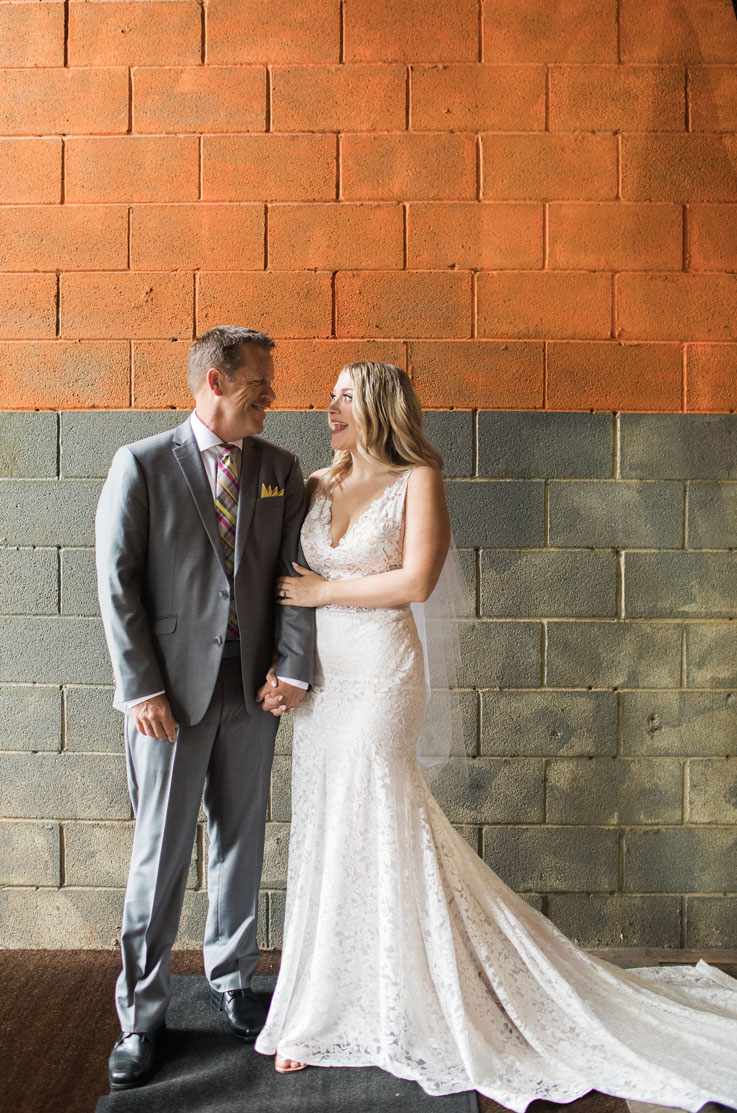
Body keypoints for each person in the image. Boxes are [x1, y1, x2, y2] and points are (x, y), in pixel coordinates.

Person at [255, 360, 737, 1109]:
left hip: (381, 672)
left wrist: (327, 590)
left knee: (378, 811)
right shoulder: (316, 482)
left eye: (344, 397)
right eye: (329, 398)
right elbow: (283, 584)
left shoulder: (416, 480)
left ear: (380, 406)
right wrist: (285, 667)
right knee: (326, 821)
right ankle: (323, 1004)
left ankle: (402, 1000)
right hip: (324, 681)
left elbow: (416, 580)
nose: (329, 409)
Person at [95, 326, 314, 1091]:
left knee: (241, 838)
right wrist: (141, 687)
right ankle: (141, 1016)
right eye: (260, 383)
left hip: (251, 690)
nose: (272, 398)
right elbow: (117, 585)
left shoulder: (281, 470)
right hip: (167, 700)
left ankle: (232, 979)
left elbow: (293, 579)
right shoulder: (143, 464)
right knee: (159, 854)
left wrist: (291, 669)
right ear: (216, 381)